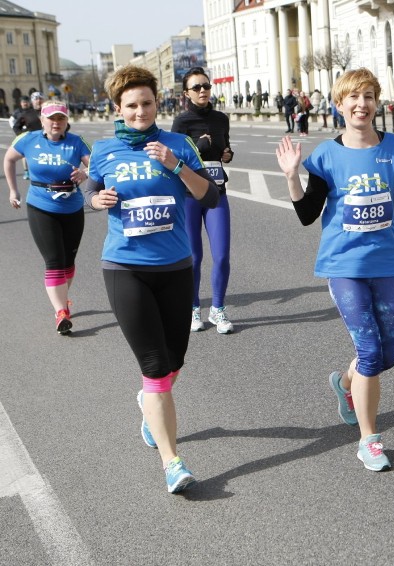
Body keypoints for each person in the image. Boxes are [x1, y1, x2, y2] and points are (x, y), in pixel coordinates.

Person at [275, 67, 394, 472]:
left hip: (387, 262)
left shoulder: (392, 147)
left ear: (376, 103)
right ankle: (369, 440)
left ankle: (345, 383)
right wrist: (291, 177)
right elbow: (306, 215)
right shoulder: (325, 155)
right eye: (353, 98)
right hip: (344, 265)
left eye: (369, 96)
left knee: (386, 356)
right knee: (370, 352)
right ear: (339, 106)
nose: (361, 104)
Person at [82, 65, 219, 494]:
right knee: (156, 368)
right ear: (117, 109)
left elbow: (209, 195)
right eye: (131, 105)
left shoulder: (178, 144)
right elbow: (91, 189)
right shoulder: (104, 150)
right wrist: (96, 199)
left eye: (146, 103)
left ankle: (148, 406)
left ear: (157, 104)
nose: (140, 111)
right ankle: (172, 461)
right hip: (125, 269)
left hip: (176, 267)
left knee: (175, 359)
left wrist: (176, 164)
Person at [4, 102, 90, 334]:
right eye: (51, 118)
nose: (56, 122)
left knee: (68, 262)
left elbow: (95, 167)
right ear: (42, 120)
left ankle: (62, 300)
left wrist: (85, 173)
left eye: (60, 118)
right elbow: (9, 159)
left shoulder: (76, 142)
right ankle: (61, 312)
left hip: (72, 207)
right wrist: (13, 190)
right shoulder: (28, 139)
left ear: (66, 121)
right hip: (41, 206)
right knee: (53, 260)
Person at [171, 67, 236, 334]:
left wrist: (228, 154)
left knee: (221, 256)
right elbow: (174, 159)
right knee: (194, 257)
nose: (202, 91)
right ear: (186, 93)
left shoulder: (221, 118)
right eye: (196, 87)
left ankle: (218, 310)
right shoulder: (181, 122)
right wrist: (198, 144)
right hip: (188, 195)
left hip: (216, 192)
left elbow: (224, 149)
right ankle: (193, 307)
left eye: (206, 86)